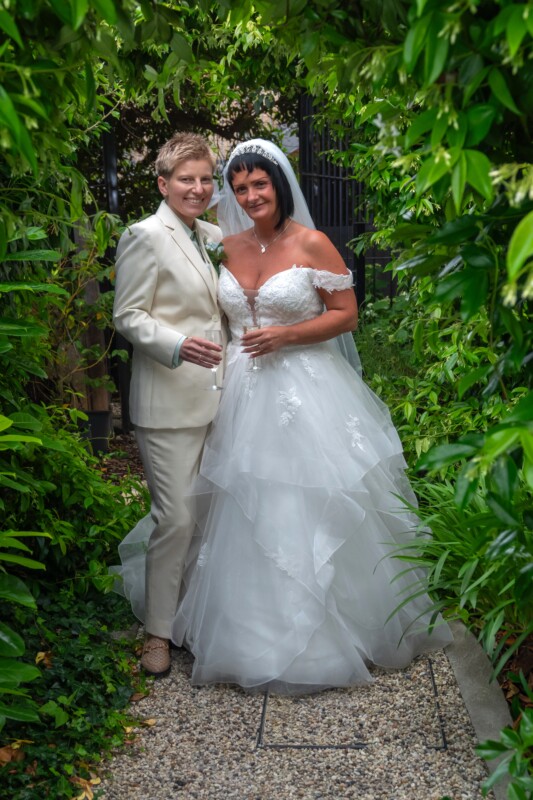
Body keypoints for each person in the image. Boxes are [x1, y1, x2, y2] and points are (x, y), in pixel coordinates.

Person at [116, 138, 453, 693]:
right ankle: (213, 626)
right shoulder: (221, 243)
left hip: (305, 391)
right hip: (234, 393)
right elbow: (156, 313)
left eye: (259, 184)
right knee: (229, 506)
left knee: (303, 500)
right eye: (239, 187)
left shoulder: (309, 242)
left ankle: (324, 628)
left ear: (278, 183)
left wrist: (287, 335)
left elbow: (346, 314)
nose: (249, 195)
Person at [112, 132, 226, 678]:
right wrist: (178, 345)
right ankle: (157, 632)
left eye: (205, 179)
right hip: (168, 402)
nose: (197, 188)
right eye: (186, 179)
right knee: (175, 517)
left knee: (207, 518)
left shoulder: (215, 236)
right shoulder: (145, 236)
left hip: (223, 398)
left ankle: (193, 620)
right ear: (163, 183)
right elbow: (128, 315)